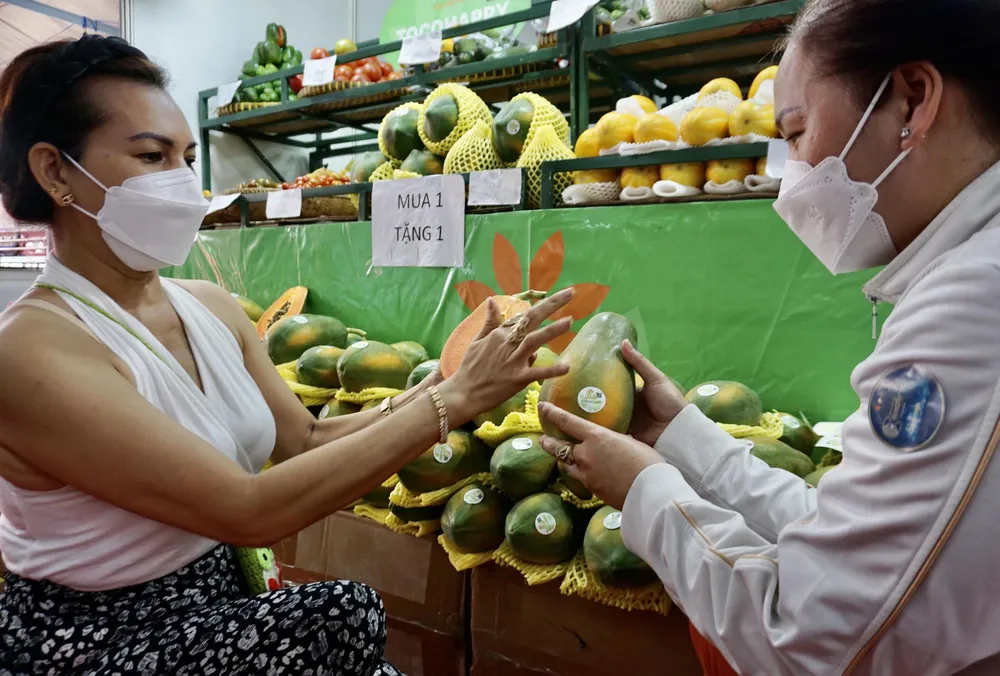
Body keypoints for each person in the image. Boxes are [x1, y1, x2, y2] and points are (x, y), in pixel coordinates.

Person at [0, 35, 574, 675]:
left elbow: (304, 437)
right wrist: (450, 402)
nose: (184, 183)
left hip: (231, 605)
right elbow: (248, 510)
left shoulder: (209, 305)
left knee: (343, 620)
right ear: (55, 172)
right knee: (342, 613)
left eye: (188, 157)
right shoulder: (31, 352)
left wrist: (441, 383)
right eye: (151, 156)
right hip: (107, 639)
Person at [536, 0, 1000, 674]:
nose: (790, 170)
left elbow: (810, 636)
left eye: (799, 131)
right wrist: (684, 439)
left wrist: (647, 492)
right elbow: (852, 547)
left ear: (912, 101)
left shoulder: (971, 304)